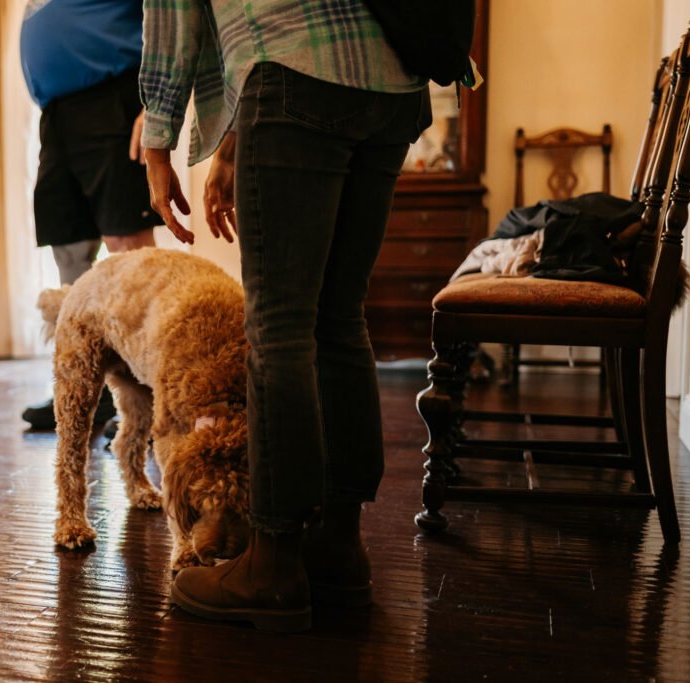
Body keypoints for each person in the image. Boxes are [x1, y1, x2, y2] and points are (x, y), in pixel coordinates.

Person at [140, 0, 432, 631]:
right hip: (394, 83)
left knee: (279, 326)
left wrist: (157, 136)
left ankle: (272, 564)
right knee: (338, 315)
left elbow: (173, 11)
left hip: (293, 67)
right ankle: (338, 549)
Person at [19, 0, 162, 430]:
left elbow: (167, 15)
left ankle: (153, 396)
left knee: (129, 253)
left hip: (114, 97)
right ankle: (85, 389)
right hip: (58, 111)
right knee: (70, 249)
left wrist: (154, 102)